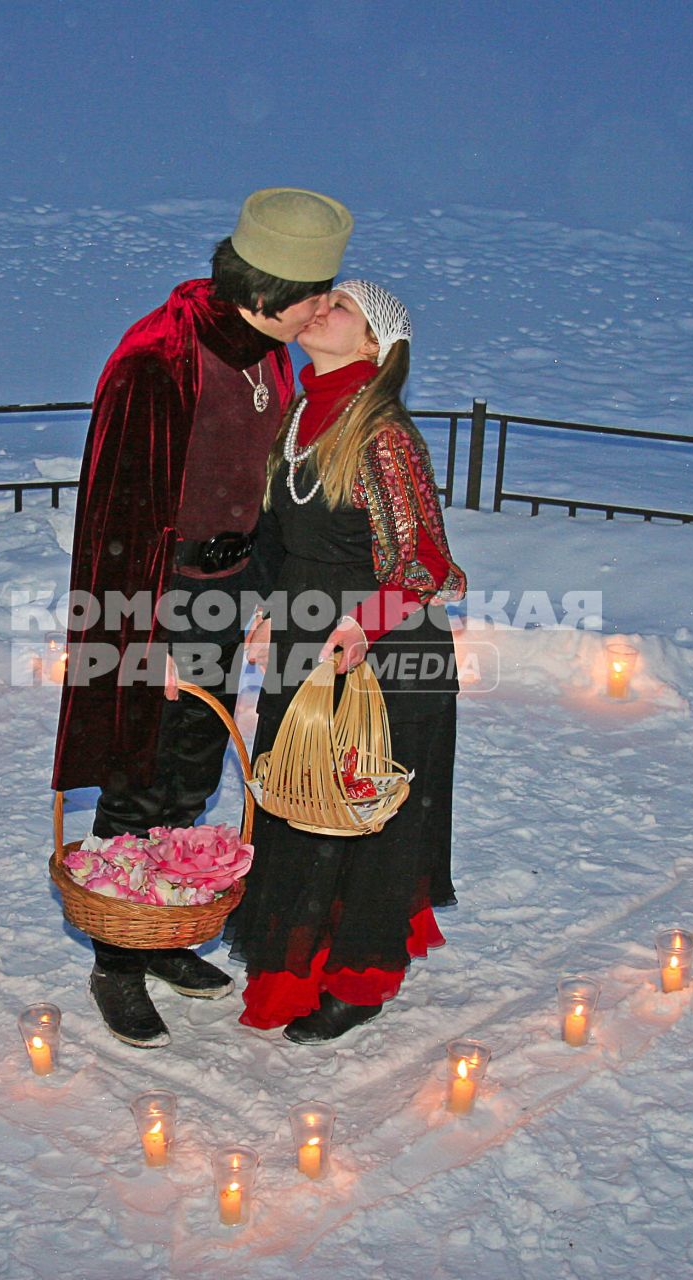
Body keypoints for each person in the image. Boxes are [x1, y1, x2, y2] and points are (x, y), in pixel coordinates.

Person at [52, 188, 354, 1048]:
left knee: (192, 767)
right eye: (314, 297)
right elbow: (115, 513)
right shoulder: (160, 357)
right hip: (156, 598)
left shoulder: (269, 346)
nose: (325, 310)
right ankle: (116, 956)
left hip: (225, 592)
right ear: (263, 291)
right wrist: (142, 638)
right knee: (137, 774)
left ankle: (168, 930)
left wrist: (258, 589)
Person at [225, 279, 466, 1044]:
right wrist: (265, 604)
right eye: (323, 299)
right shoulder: (299, 414)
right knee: (297, 794)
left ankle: (359, 975)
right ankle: (299, 962)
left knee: (361, 812)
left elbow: (425, 565)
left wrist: (366, 626)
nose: (320, 308)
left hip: (385, 655)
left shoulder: (382, 431)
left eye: (344, 309)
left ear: (373, 346)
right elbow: (283, 539)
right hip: (309, 637)